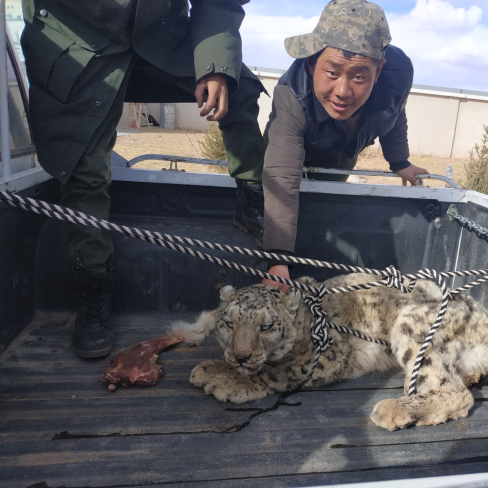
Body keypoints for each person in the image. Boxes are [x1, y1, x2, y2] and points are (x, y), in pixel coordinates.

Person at [20, 0, 266, 358]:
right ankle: (94, 291)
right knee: (83, 168)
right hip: (74, 40)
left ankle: (253, 203)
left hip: (159, 34)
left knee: (237, 84)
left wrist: (216, 65)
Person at [259, 0, 427, 292]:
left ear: (379, 70)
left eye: (360, 76)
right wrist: (277, 260)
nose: (343, 91)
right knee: (277, 206)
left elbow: (394, 115)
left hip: (340, 156)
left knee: (321, 211)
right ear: (312, 63)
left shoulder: (397, 78)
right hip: (288, 156)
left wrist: (400, 162)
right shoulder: (292, 94)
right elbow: (282, 177)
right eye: (332, 73)